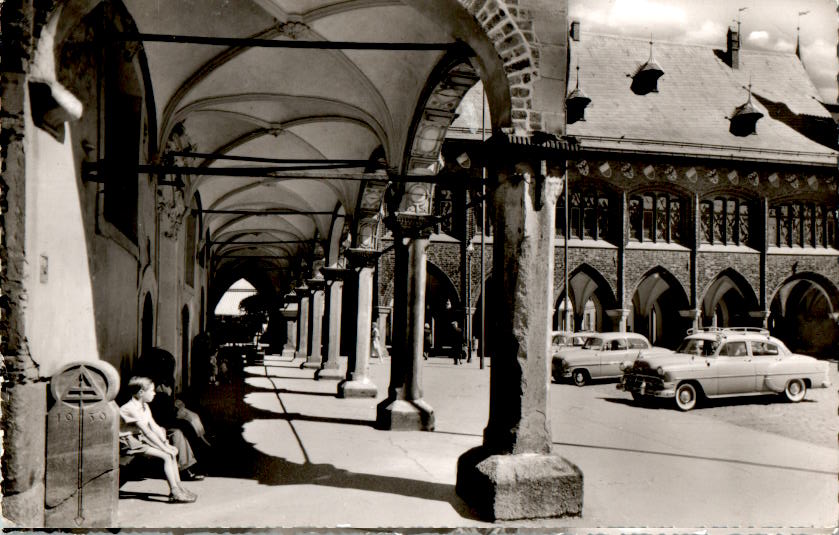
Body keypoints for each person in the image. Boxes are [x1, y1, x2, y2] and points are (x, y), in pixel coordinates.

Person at [119, 376, 197, 503]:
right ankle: (174, 491)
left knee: (171, 454)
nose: (154, 393)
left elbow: (154, 427)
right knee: (166, 455)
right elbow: (147, 432)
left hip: (138, 439)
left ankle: (179, 487)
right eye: (152, 390)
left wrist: (166, 443)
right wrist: (164, 448)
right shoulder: (129, 408)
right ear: (141, 393)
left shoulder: (144, 406)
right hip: (127, 442)